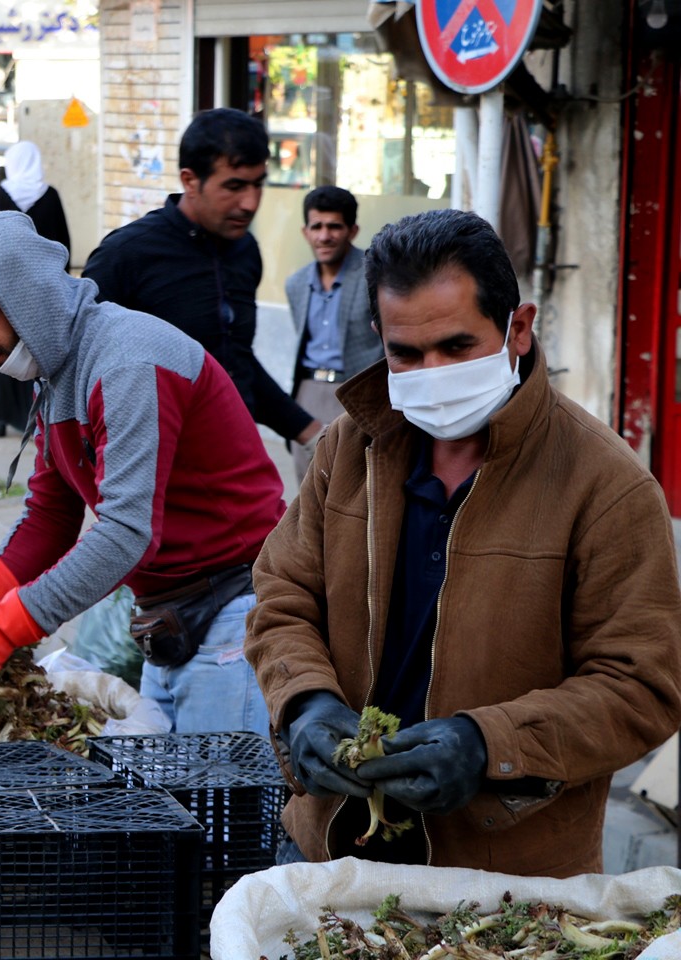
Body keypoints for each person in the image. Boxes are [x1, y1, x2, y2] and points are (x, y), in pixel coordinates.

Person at [244, 208, 681, 876]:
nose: (432, 373)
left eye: (456, 346)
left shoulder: (606, 484)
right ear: (378, 340)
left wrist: (487, 744)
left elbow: (643, 686)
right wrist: (305, 701)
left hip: (507, 882)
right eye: (406, 354)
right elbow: (283, 594)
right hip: (329, 847)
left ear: (519, 328)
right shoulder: (349, 449)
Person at [0, 212, 285, 737]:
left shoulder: (129, 362)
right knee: (181, 803)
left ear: (27, 298)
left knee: (221, 811)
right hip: (170, 617)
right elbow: (49, 516)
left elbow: (126, 533)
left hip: (234, 610)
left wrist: (6, 626)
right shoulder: (53, 371)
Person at [83, 108, 323, 453]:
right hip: (156, 470)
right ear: (189, 180)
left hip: (235, 459)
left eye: (258, 184)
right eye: (234, 186)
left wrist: (313, 433)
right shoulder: (126, 255)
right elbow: (78, 368)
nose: (250, 203)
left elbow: (236, 362)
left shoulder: (245, 251)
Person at [283, 185, 382, 483]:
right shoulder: (296, 283)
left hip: (357, 391)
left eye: (334, 227)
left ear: (352, 230)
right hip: (307, 392)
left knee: (356, 488)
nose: (324, 236)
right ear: (305, 232)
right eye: (317, 226)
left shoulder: (375, 275)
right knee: (309, 489)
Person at [0, 141, 70, 437]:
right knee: (37, 354)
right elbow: (63, 245)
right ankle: (37, 415)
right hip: (41, 291)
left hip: (2, 291)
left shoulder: (4, 195)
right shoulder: (50, 196)